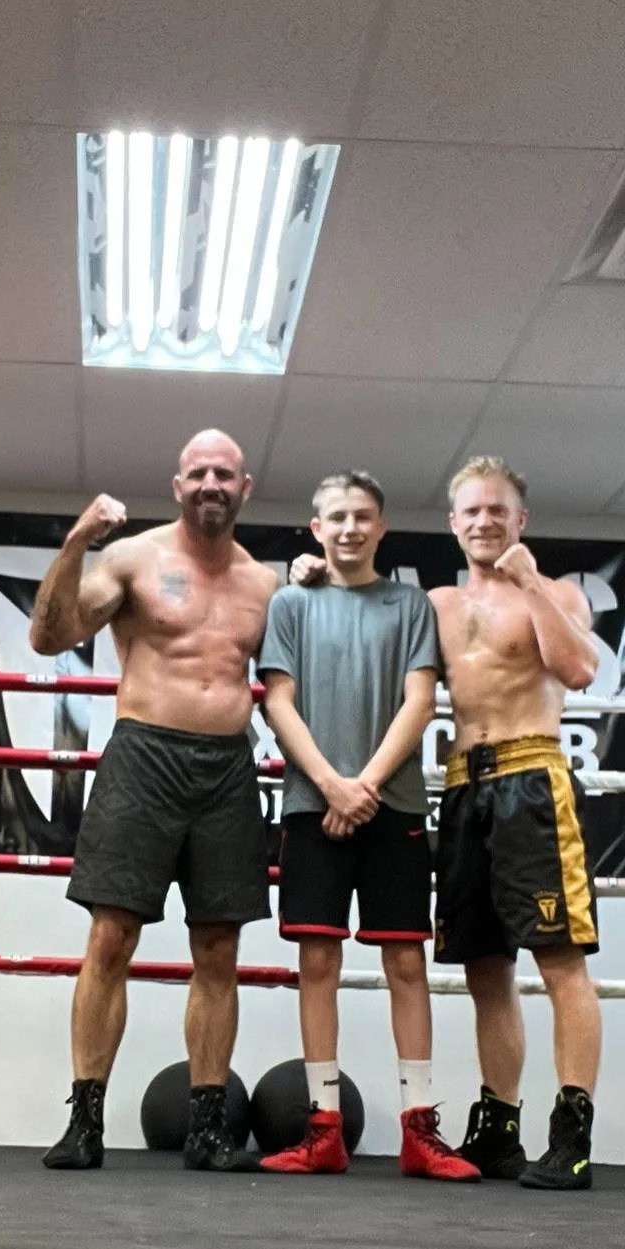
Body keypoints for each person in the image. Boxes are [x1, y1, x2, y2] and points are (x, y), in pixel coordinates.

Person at [28, 430, 277, 1172]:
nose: (210, 483)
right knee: (110, 939)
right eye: (198, 471)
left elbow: (294, 680)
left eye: (223, 474)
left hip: (227, 768)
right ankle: (85, 1122)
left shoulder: (266, 585)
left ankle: (206, 1129)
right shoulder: (132, 558)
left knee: (219, 949)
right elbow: (50, 637)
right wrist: (75, 542)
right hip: (143, 758)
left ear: (244, 488)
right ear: (178, 485)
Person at [258, 472, 479, 1179]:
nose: (350, 528)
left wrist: (366, 786)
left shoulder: (409, 603)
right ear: (315, 529)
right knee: (316, 963)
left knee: (407, 963)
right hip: (311, 803)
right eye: (336, 518)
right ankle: (322, 1129)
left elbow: (420, 703)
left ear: (381, 528)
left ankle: (420, 1132)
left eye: (363, 517)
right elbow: (277, 702)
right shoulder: (290, 602)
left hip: (395, 807)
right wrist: (330, 783)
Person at [429, 456, 603, 1191]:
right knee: (484, 969)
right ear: (453, 522)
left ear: (519, 520)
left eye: (497, 510)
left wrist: (530, 582)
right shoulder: (435, 603)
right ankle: (498, 1128)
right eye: (471, 511)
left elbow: (580, 670)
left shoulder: (557, 593)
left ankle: (572, 1135)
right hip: (466, 786)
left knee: (559, 962)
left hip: (533, 781)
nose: (484, 521)